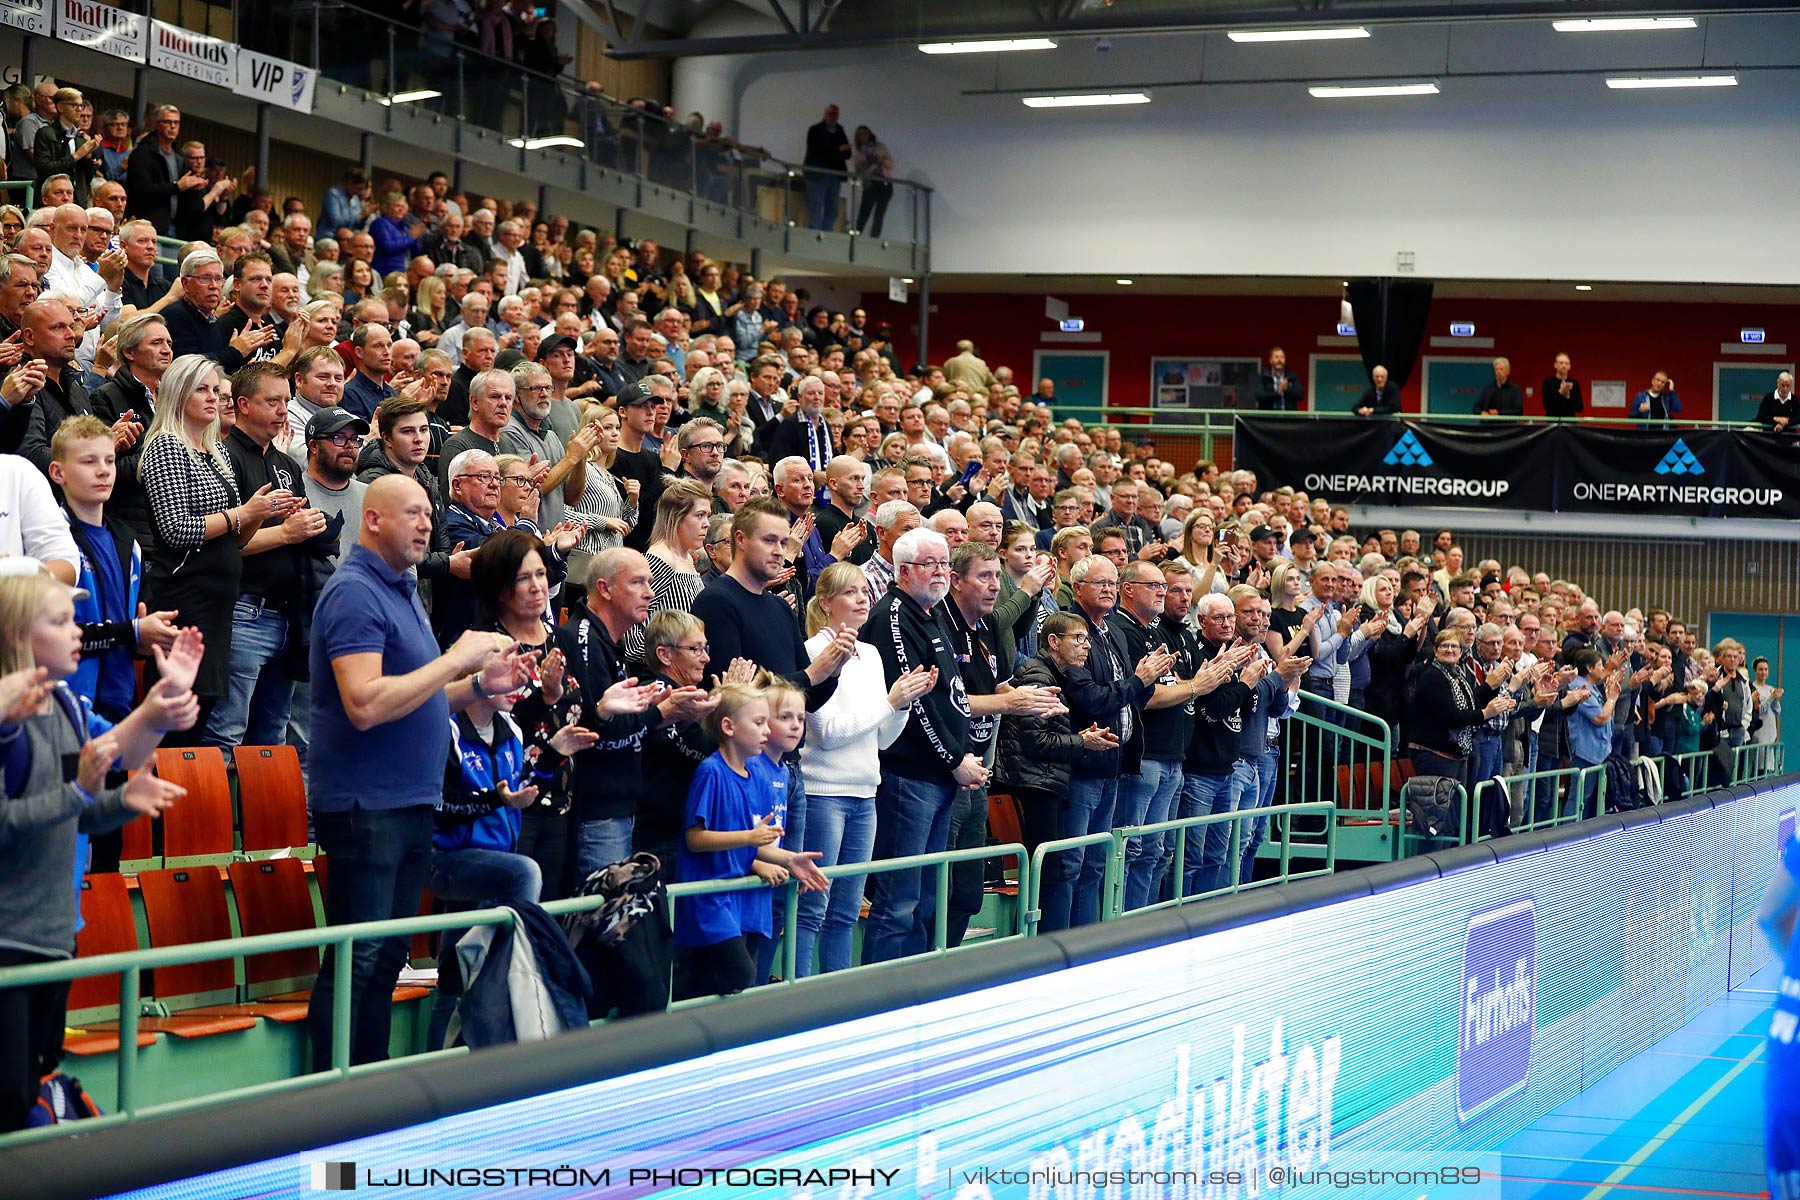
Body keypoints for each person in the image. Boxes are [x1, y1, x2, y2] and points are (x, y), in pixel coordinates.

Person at [304, 474, 535, 1073]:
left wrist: (478, 687)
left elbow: (416, 697)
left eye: (429, 513)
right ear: (373, 519)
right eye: (413, 513)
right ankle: (332, 1093)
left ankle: (370, 1081)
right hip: (365, 807)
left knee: (385, 959)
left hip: (409, 802)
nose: (427, 523)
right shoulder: (355, 592)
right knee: (359, 958)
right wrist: (456, 659)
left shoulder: (401, 587)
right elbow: (366, 703)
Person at [0, 568, 194, 1133]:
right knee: (8, 1100)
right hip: (7, 945)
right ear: (16, 635)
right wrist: (83, 791)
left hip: (53, 938)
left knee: (32, 1083)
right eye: (60, 621)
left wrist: (121, 798)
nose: (78, 630)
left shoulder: (64, 706)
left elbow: (83, 799)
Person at [140, 356, 298, 737]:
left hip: (218, 601)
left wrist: (263, 511)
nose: (214, 398)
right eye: (202, 389)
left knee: (203, 706)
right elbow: (176, 529)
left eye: (216, 390)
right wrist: (244, 512)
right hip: (185, 595)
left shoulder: (216, 450)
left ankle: (194, 795)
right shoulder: (166, 446)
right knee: (180, 716)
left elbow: (237, 537)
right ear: (178, 394)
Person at [857, 523, 982, 963]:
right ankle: (882, 996)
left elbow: (952, 696)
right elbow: (916, 704)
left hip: (939, 776)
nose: (941, 572)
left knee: (928, 896)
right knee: (900, 899)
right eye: (929, 564)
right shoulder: (893, 615)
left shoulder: (930, 615)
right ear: (903, 570)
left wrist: (961, 755)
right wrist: (953, 758)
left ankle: (917, 986)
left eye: (945, 563)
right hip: (910, 777)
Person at [1042, 554, 1170, 932]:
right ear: (1077, 587)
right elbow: (1089, 698)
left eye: (1113, 584)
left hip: (1114, 765)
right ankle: (1058, 942)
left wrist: (1146, 681)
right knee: (1071, 863)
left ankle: (1090, 940)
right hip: (1082, 766)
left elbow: (1130, 692)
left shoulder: (1111, 631)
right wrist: (1139, 680)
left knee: (1098, 861)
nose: (1108, 590)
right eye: (1100, 583)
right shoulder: (1072, 630)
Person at [674, 682, 826, 999]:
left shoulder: (753, 776)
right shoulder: (711, 772)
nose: (765, 731)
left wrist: (789, 859)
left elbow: (756, 841)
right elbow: (694, 838)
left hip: (735, 897)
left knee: (732, 980)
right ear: (728, 726)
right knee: (733, 975)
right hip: (709, 898)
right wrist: (750, 840)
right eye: (759, 723)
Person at [206, 361, 317, 749]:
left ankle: (265, 812)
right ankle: (217, 811)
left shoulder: (286, 464)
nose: (284, 410)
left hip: (286, 615)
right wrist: (286, 533)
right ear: (243, 405)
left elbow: (294, 530)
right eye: (272, 401)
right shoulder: (220, 456)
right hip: (243, 610)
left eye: (286, 400)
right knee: (227, 732)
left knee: (273, 736)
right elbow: (224, 543)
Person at [622, 478, 711, 666]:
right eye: (700, 515)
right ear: (675, 517)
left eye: (708, 516)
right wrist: (669, 659)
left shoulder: (686, 558)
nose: (707, 524)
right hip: (659, 674)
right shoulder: (660, 559)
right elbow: (629, 638)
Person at [802, 104, 851, 232]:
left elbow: (848, 153)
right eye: (829, 113)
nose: (832, 116)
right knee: (816, 206)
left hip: (834, 175)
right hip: (817, 174)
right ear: (825, 114)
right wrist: (837, 150)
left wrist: (836, 151)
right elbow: (817, 150)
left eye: (834, 114)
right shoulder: (815, 130)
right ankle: (815, 235)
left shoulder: (840, 131)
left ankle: (826, 234)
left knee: (833, 209)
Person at [851, 126, 895, 237]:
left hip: (885, 184)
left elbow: (892, 164)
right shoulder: (858, 151)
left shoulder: (880, 147)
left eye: (865, 133)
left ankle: (874, 239)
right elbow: (861, 173)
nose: (863, 136)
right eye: (860, 134)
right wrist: (875, 164)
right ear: (858, 137)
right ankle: (856, 238)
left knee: (879, 215)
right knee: (864, 213)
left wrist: (882, 161)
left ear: (870, 134)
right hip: (870, 184)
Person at [1255, 347, 1304, 411]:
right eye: (1276, 357)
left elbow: (1300, 396)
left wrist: (1287, 389)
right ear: (1270, 360)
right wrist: (1277, 393)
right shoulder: (1263, 376)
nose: (1279, 360)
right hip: (1267, 419)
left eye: (1282, 357)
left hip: (1288, 419)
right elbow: (1259, 396)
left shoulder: (1292, 376)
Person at [1541, 352, 1583, 418]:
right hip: (1552, 425)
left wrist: (1568, 396)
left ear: (1569, 367)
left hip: (1570, 425)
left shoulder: (1574, 384)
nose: (1564, 366)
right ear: (1555, 365)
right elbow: (1546, 405)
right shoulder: (1548, 383)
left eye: (1566, 363)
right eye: (1561, 363)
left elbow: (1580, 408)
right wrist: (1560, 392)